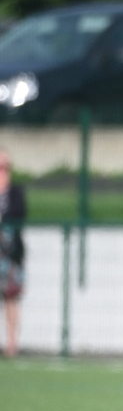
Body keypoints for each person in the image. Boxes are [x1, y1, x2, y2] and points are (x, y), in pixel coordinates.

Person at [0, 150, 27, 358]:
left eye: (5, 167)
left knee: (11, 299)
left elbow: (19, 213)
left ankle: (12, 344)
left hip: (10, 257)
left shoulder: (15, 193)